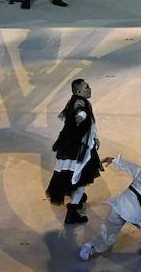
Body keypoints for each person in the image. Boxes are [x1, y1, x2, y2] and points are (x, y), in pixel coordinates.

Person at [79, 152, 141, 261]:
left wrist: (114, 160)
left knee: (109, 229)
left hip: (120, 203)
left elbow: (129, 166)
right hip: (133, 209)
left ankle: (90, 246)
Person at [48, 78, 102, 225]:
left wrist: (94, 136)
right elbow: (81, 115)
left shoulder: (74, 100)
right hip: (79, 150)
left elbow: (72, 117)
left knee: (72, 176)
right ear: (79, 91)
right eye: (87, 87)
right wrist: (80, 118)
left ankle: (78, 198)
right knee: (81, 180)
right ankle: (72, 213)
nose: (89, 89)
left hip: (68, 148)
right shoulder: (81, 104)